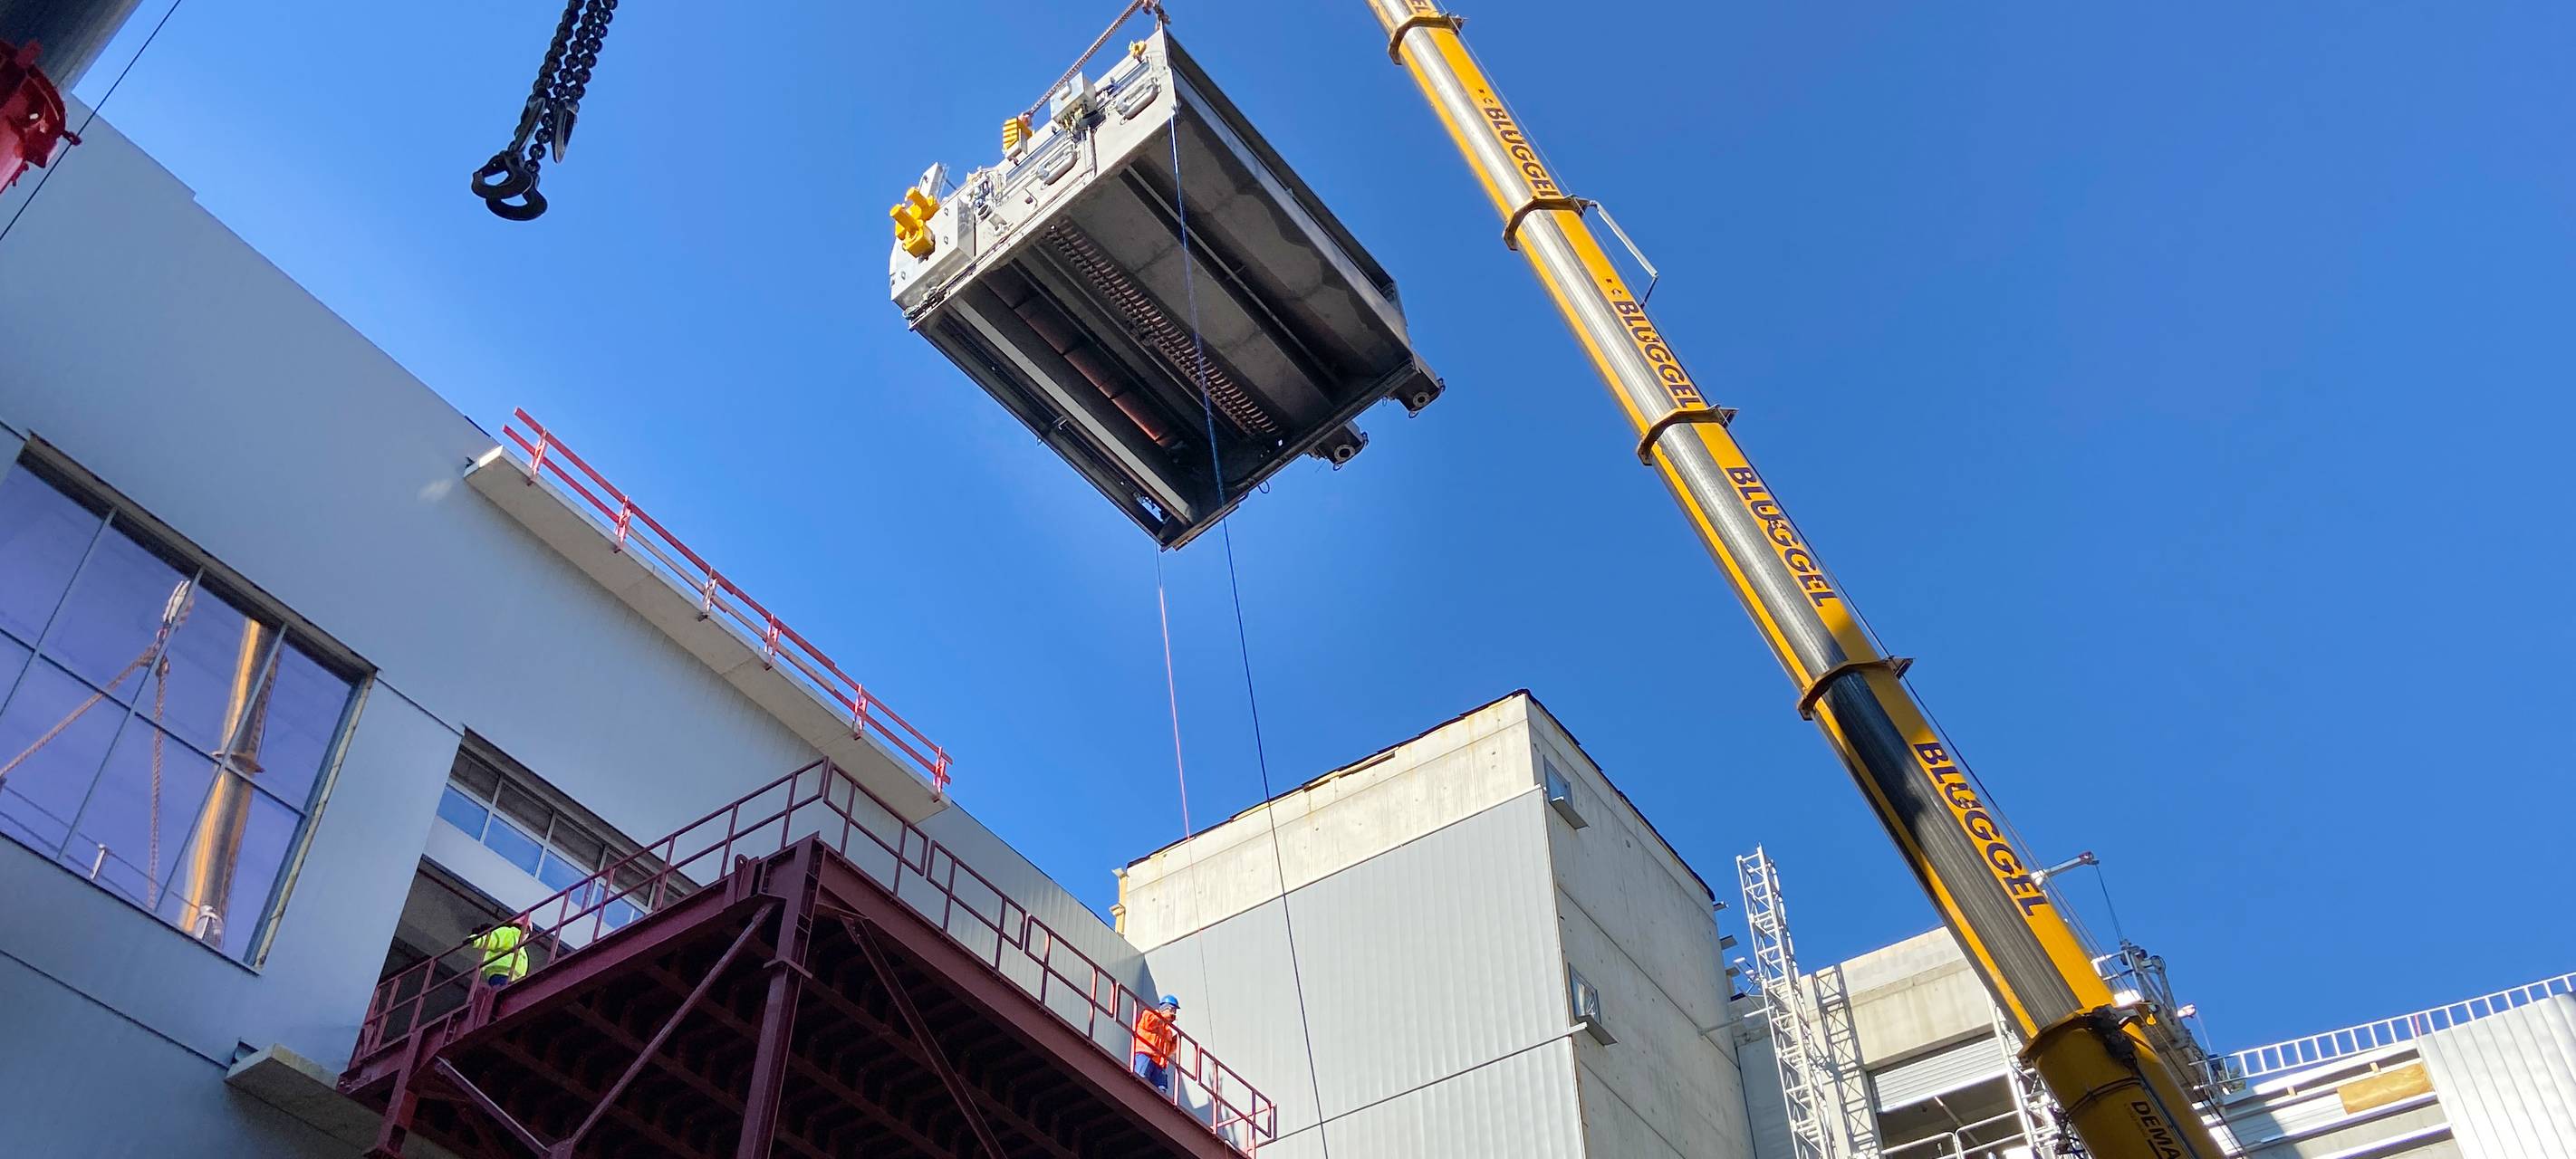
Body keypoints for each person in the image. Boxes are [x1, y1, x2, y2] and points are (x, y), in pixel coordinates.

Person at [1131, 994, 1180, 1096]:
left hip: (1159, 1064)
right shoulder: (1150, 1014)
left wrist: (1176, 1042)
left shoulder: (1167, 1030)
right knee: (1141, 1080)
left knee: (1161, 1090)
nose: (1173, 1014)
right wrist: (1164, 1017)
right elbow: (1149, 1022)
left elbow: (1167, 1051)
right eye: (1172, 1010)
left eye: (1175, 1011)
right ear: (1165, 1008)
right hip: (1145, 1055)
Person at [475, 914, 532, 989]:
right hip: (501, 975)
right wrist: (475, 940)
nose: (525, 932)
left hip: (511, 979)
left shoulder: (521, 946)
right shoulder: (508, 933)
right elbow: (491, 939)